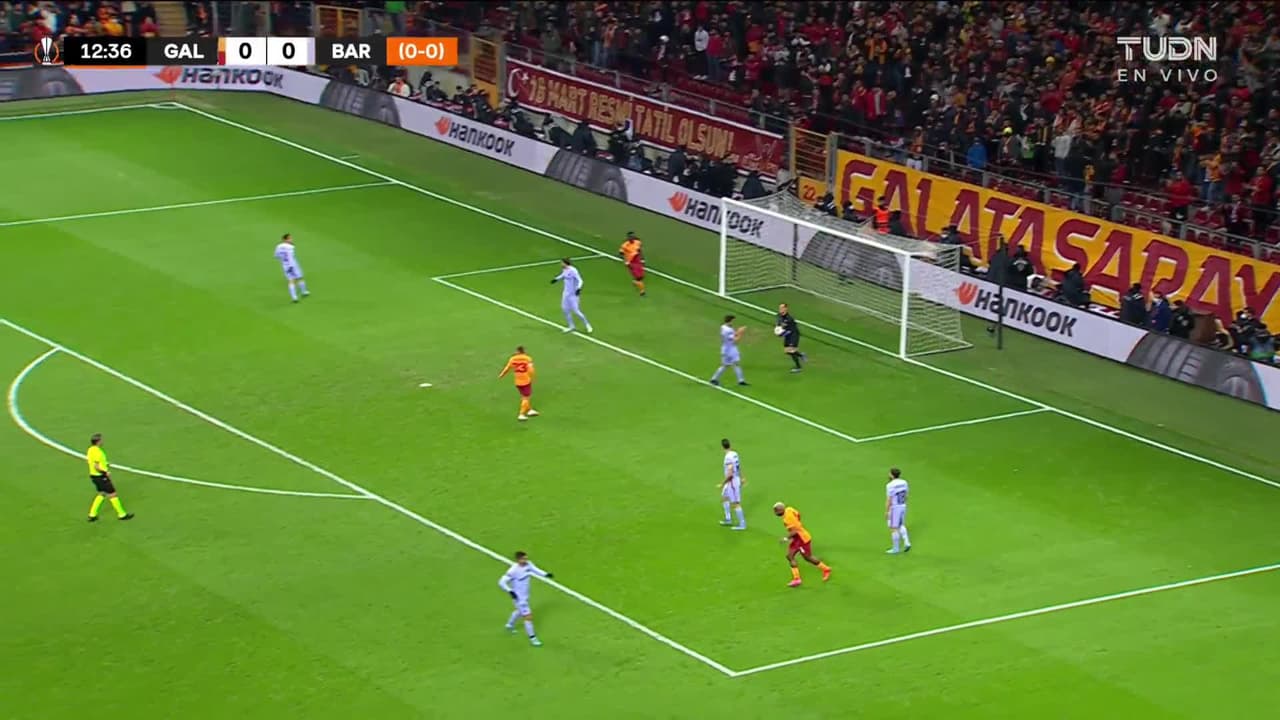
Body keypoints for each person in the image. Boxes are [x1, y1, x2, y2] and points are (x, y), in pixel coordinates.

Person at [498, 551, 553, 647]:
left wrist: (545, 574)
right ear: (518, 560)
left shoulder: (528, 564)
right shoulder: (513, 571)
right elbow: (501, 582)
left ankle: (509, 625)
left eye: (526, 558)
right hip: (519, 599)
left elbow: (535, 569)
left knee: (519, 611)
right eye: (523, 559)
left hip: (525, 596)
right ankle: (533, 638)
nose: (526, 560)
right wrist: (510, 591)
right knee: (528, 617)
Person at [772, 502, 831, 587]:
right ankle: (797, 579)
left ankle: (826, 569)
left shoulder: (788, 519)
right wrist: (798, 524)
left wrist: (785, 538)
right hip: (797, 539)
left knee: (808, 557)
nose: (775, 513)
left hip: (802, 539)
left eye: (776, 511)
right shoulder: (789, 509)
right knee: (790, 556)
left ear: (781, 510)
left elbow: (795, 531)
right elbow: (798, 514)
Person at [86, 433, 133, 522]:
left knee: (102, 493)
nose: (103, 441)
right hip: (101, 476)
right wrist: (105, 472)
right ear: (98, 441)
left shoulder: (90, 449)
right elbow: (96, 466)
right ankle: (122, 514)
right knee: (112, 494)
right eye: (101, 440)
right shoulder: (97, 451)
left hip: (94, 476)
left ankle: (92, 515)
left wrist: (105, 464)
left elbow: (94, 462)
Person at [550, 258, 593, 333]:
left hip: (573, 295)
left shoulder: (573, 270)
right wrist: (556, 279)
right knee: (565, 310)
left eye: (562, 263)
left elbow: (580, 280)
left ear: (565, 263)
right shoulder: (564, 270)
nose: (561, 264)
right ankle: (571, 326)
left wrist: (578, 289)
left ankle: (587, 325)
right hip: (565, 294)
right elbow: (563, 275)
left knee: (576, 311)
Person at [498, 346, 539, 421]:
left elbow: (507, 368)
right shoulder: (527, 359)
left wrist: (501, 375)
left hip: (517, 381)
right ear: (524, 351)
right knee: (526, 397)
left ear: (517, 351)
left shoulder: (513, 359)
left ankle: (529, 410)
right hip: (526, 381)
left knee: (524, 396)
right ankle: (521, 414)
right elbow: (531, 369)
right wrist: (533, 378)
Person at [709, 314, 747, 387]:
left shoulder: (723, 327)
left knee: (726, 365)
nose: (734, 322)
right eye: (733, 321)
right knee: (734, 364)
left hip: (725, 348)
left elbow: (733, 335)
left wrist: (738, 331)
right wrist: (741, 333)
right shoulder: (728, 330)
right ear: (731, 321)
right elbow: (735, 340)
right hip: (730, 349)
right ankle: (741, 381)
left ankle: (714, 379)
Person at [718, 438, 747, 530]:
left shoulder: (728, 458)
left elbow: (730, 474)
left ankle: (742, 524)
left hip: (732, 482)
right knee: (724, 497)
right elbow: (738, 467)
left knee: (736, 503)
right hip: (734, 479)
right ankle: (728, 519)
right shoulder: (734, 454)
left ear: (722, 447)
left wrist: (722, 484)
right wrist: (742, 477)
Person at [273, 233, 310, 303]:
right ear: (284, 239)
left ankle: (294, 298)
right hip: (293, 264)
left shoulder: (278, 246)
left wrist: (283, 259)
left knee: (291, 280)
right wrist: (291, 266)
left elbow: (276, 256)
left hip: (285, 265)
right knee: (300, 277)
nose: (291, 239)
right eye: (289, 238)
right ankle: (304, 292)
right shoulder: (290, 246)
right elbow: (290, 257)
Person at [884, 468, 911, 554]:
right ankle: (907, 542)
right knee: (901, 524)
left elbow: (889, 499)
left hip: (895, 508)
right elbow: (906, 495)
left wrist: (887, 511)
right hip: (903, 505)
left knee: (893, 528)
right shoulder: (904, 482)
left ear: (892, 475)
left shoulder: (890, 485)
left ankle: (896, 549)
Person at [775, 303, 805, 373]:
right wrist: (777, 329)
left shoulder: (789, 318)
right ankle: (801, 355)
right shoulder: (778, 315)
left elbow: (784, 328)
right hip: (787, 335)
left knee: (791, 350)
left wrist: (780, 333)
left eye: (782, 308)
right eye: (780, 308)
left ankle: (798, 367)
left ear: (786, 308)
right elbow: (778, 323)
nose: (780, 309)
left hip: (794, 334)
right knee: (787, 351)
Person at [618, 231, 646, 296]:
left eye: (633, 236)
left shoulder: (637, 242)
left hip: (637, 259)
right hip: (630, 261)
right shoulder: (624, 245)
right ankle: (642, 291)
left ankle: (635, 282)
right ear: (628, 238)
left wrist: (642, 258)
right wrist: (625, 261)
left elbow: (639, 250)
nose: (632, 238)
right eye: (631, 237)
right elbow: (621, 253)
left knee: (641, 276)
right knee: (639, 277)